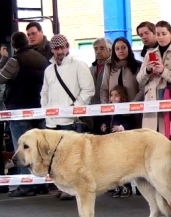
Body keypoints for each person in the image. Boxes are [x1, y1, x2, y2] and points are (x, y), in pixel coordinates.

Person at [40, 34, 95, 199]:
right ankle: (61, 185)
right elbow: (45, 92)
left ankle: (71, 189)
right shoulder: (49, 69)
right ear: (52, 50)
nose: (59, 51)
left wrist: (75, 108)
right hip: (51, 121)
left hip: (70, 119)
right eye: (56, 48)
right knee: (54, 156)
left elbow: (88, 89)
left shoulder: (79, 65)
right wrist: (46, 110)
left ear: (67, 47)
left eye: (62, 47)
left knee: (71, 156)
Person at [0, 32, 49, 197]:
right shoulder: (42, 59)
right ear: (27, 41)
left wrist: (4, 59)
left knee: (21, 149)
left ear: (14, 46)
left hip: (19, 110)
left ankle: (26, 186)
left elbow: (2, 77)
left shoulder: (16, 60)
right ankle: (42, 183)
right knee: (39, 148)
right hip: (39, 108)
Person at [136, 20, 171, 147]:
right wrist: (148, 70)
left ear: (170, 34)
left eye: (164, 33)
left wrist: (163, 71)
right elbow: (139, 80)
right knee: (152, 145)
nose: (160, 37)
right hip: (152, 105)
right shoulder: (150, 53)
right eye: (158, 34)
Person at [94, 85, 135, 197]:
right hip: (111, 144)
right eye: (111, 96)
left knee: (123, 166)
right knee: (113, 166)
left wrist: (120, 127)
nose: (113, 98)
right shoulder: (108, 110)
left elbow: (131, 124)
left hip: (122, 143)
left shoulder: (126, 110)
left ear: (122, 97)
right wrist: (103, 126)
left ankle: (126, 187)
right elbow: (105, 122)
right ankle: (116, 186)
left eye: (116, 96)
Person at [90, 38, 112, 104]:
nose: (98, 51)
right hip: (92, 107)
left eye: (102, 48)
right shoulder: (91, 69)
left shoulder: (114, 67)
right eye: (96, 49)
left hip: (109, 106)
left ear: (110, 50)